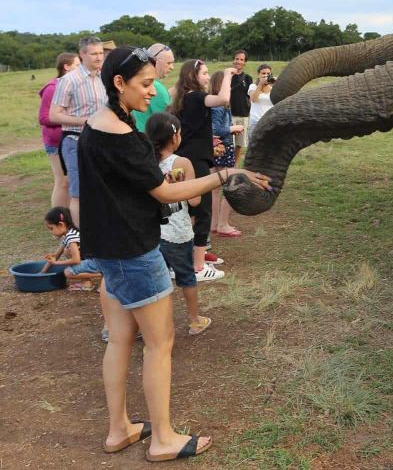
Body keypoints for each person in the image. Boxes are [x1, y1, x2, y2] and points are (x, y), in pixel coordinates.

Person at [77, 45, 269, 460]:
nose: (152, 92)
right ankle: (163, 438)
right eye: (145, 85)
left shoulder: (96, 124)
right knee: (159, 343)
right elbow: (164, 191)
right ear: (118, 83)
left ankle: (120, 429)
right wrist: (223, 174)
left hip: (109, 252)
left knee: (121, 339)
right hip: (134, 251)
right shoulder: (123, 137)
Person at [145, 111, 217, 335]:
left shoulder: (145, 162)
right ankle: (194, 321)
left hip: (150, 232)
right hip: (177, 232)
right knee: (186, 277)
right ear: (175, 136)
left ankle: (149, 327)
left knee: (154, 281)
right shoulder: (182, 163)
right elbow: (195, 199)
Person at [169, 59, 237, 279]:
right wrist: (227, 75)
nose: (208, 77)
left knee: (184, 210)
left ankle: (179, 260)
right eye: (205, 73)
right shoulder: (197, 97)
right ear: (193, 76)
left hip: (181, 159)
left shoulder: (181, 99)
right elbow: (224, 99)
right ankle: (198, 266)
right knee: (203, 211)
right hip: (196, 162)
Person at [49, 36, 106, 227]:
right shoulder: (69, 80)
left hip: (101, 141)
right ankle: (83, 240)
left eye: (100, 53)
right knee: (79, 192)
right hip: (75, 140)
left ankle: (100, 232)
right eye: (94, 54)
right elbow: (54, 115)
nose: (99, 58)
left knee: (101, 188)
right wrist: (85, 121)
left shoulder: (104, 77)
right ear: (82, 54)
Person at [39, 52, 80, 208]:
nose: (80, 69)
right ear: (66, 67)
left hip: (69, 140)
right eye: (77, 65)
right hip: (55, 142)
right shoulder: (52, 88)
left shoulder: (74, 86)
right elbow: (43, 118)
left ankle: (69, 217)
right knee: (62, 182)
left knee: (71, 181)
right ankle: (57, 221)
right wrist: (67, 119)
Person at [209, 71, 245, 238]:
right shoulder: (219, 105)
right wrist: (233, 129)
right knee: (232, 185)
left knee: (214, 187)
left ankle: (214, 223)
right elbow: (215, 129)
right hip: (224, 148)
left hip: (216, 148)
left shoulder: (213, 103)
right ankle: (223, 224)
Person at [40, 206, 102, 290]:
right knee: (67, 251)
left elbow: (76, 260)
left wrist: (56, 263)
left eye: (51, 228)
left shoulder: (71, 237)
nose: (51, 232)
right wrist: (42, 272)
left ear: (60, 224)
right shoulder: (70, 233)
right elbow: (56, 255)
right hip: (94, 260)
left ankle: (103, 274)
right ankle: (86, 283)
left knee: (67, 273)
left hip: (97, 262)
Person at [132, 44, 175, 131]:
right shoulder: (157, 88)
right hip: (152, 139)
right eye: (169, 63)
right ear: (155, 60)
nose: (172, 67)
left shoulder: (138, 81)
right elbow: (168, 122)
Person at [228, 50, 253, 164]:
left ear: (245, 63)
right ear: (233, 60)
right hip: (229, 114)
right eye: (237, 59)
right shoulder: (227, 76)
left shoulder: (248, 78)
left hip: (243, 114)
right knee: (228, 143)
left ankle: (235, 166)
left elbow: (250, 96)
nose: (238, 61)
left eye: (241, 59)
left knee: (239, 144)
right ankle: (226, 165)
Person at [246, 64, 274, 143]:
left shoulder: (273, 88)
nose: (266, 75)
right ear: (258, 74)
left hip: (269, 121)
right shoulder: (253, 86)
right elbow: (254, 99)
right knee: (254, 145)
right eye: (263, 73)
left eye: (268, 73)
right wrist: (260, 84)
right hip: (255, 121)